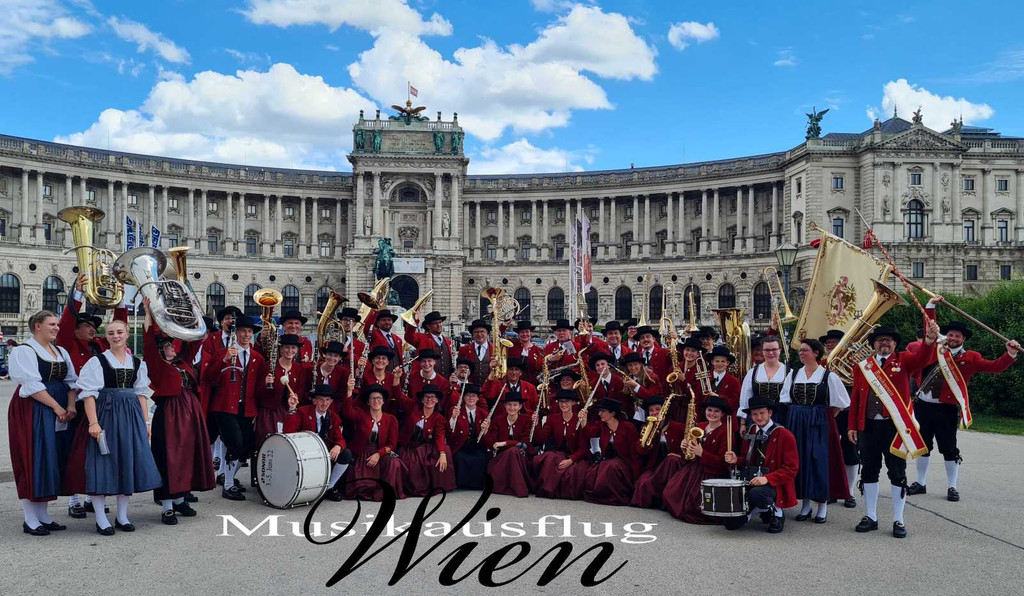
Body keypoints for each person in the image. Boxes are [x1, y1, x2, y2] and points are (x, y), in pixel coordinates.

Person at [909, 303, 1020, 502]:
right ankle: (920, 482)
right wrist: (931, 305)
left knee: (949, 448)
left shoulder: (971, 357)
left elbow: (994, 367)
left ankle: (952, 486)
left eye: (957, 336)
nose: (952, 338)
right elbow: (930, 326)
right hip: (923, 405)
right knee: (922, 445)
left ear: (963, 339)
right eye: (950, 335)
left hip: (947, 409)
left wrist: (1010, 353)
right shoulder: (936, 348)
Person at [848, 319, 939, 539]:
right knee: (869, 470)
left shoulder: (904, 360)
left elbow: (923, 358)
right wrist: (852, 425)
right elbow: (856, 398)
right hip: (868, 426)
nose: (884, 344)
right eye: (880, 341)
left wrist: (928, 340)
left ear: (894, 343)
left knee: (896, 472)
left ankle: (899, 519)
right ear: (874, 344)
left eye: (888, 340)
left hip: (895, 427)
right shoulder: (864, 366)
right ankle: (871, 516)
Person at [71, 320, 162, 535]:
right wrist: (94, 423)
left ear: (127, 334)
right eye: (111, 333)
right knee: (103, 462)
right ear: (106, 336)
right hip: (107, 414)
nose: (116, 336)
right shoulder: (97, 362)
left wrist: (145, 422)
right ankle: (101, 518)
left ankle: (122, 515)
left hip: (130, 416)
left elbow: (141, 395)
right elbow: (89, 394)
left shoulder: (137, 363)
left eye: (120, 332)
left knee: (127, 462)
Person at [141, 300, 214, 525]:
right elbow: (148, 342)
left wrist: (193, 311)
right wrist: (148, 314)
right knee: (169, 457)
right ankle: (167, 506)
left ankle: (181, 499)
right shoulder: (157, 364)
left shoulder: (183, 362)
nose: (173, 348)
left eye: (173, 345)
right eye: (168, 346)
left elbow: (196, 340)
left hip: (190, 411)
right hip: (170, 413)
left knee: (187, 456)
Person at [8, 310, 78, 535]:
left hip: (57, 409)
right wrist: (56, 407)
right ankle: (30, 519)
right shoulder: (23, 351)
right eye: (52, 324)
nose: (57, 328)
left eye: (57, 324)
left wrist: (70, 405)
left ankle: (44, 516)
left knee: (51, 458)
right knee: (33, 458)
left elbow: (71, 381)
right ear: (37, 325)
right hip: (33, 409)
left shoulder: (61, 351)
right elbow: (31, 385)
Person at [779, 339, 850, 524]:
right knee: (800, 461)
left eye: (805, 350)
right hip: (796, 420)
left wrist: (823, 417)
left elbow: (840, 403)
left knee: (819, 461)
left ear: (816, 353)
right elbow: (785, 399)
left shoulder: (828, 376)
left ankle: (822, 506)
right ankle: (805, 505)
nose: (801, 353)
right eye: (800, 351)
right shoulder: (793, 375)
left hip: (820, 422)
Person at [208, 316, 265, 501]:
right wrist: (224, 360)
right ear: (236, 333)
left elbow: (257, 387)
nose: (246, 334)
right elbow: (210, 377)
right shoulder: (223, 352)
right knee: (235, 443)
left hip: (247, 408)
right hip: (225, 407)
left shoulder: (257, 357)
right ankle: (229, 484)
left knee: (246, 448)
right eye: (243, 331)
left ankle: (229, 477)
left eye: (249, 331)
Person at [722, 396, 799, 534]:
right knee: (730, 524)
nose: (759, 417)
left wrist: (767, 479)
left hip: (773, 484)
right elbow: (747, 460)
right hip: (751, 481)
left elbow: (791, 469)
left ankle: (776, 511)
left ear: (770, 413)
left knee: (757, 494)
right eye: (754, 414)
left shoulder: (785, 435)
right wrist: (736, 460)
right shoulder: (751, 431)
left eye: (762, 413)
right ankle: (758, 509)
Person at [662, 396, 737, 523]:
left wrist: (702, 453)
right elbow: (688, 454)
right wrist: (684, 446)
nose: (712, 414)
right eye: (710, 410)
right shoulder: (699, 426)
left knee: (694, 505)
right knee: (669, 493)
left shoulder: (726, 432)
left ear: (722, 413)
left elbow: (722, 463)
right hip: (693, 468)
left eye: (716, 411)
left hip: (712, 473)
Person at [283, 384, 354, 500]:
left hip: (325, 455)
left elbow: (340, 438)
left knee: (346, 454)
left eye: (327, 400)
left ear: (331, 401)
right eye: (321, 399)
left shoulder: (333, 417)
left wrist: (338, 446)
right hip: (306, 455)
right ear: (315, 400)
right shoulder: (302, 412)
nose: (324, 403)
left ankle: (328, 488)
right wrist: (292, 409)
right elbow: (288, 433)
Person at [338, 381, 405, 501]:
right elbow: (347, 413)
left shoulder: (391, 419)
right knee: (363, 485)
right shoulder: (360, 414)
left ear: (383, 401)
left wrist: (379, 454)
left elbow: (392, 444)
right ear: (368, 402)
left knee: (394, 463)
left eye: (379, 398)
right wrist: (349, 391)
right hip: (362, 453)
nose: (376, 401)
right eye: (372, 398)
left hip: (381, 452)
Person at [254, 334, 309, 475]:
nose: (289, 351)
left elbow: (300, 392)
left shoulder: (298, 369)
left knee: (285, 446)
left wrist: (295, 399)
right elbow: (257, 393)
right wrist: (265, 384)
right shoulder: (268, 366)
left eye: (293, 348)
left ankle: (280, 476)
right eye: (286, 347)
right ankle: (263, 476)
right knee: (267, 445)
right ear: (280, 349)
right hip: (268, 412)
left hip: (286, 412)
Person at [56, 273, 129, 374]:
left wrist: (119, 299)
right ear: (76, 329)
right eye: (87, 326)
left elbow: (120, 325)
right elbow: (66, 324)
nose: (93, 329)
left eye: (93, 327)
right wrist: (78, 293)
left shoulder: (101, 344)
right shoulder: (68, 344)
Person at [820, 329, 859, 508]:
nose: (830, 345)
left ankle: (849, 492)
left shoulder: (853, 363)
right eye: (828, 343)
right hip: (827, 411)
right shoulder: (821, 364)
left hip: (849, 411)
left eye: (834, 342)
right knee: (829, 451)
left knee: (850, 451)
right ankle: (832, 489)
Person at [393, 384, 456, 496]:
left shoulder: (439, 418)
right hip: (409, 446)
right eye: (426, 397)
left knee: (444, 451)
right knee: (410, 462)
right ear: (422, 399)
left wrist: (442, 453)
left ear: (437, 400)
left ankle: (435, 484)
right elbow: (399, 396)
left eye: (432, 397)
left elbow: (440, 436)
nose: (429, 400)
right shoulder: (412, 408)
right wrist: (397, 381)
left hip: (426, 447)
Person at [531, 388, 591, 500]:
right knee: (550, 458)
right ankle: (547, 489)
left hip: (576, 456)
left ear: (573, 402)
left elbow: (584, 448)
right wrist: (536, 424)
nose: (563, 404)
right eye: (561, 401)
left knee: (574, 471)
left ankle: (565, 492)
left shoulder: (580, 418)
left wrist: (571, 460)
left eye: (567, 401)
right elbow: (541, 439)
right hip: (559, 453)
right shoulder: (552, 418)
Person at [630, 396, 686, 510]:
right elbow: (640, 451)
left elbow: (686, 448)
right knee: (644, 482)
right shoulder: (646, 427)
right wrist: (648, 435)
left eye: (657, 409)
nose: (655, 413)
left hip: (672, 466)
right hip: (654, 466)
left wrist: (680, 455)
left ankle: (667, 502)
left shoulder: (678, 427)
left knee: (671, 461)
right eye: (651, 410)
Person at [583, 398, 640, 506]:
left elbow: (634, 453)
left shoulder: (628, 427)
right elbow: (589, 433)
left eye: (603, 411)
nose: (600, 414)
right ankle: (602, 495)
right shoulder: (602, 426)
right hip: (606, 460)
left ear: (612, 413)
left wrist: (636, 475)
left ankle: (616, 496)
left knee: (611, 467)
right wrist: (584, 420)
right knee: (591, 473)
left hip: (624, 463)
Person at [481, 391, 536, 497]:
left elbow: (524, 443)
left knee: (514, 450)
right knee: (511, 451)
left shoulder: (527, 420)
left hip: (521, 456)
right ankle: (515, 487)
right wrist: (486, 431)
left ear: (520, 406)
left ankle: (518, 488)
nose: (512, 408)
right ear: (505, 406)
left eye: (515, 405)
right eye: (509, 405)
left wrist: (505, 443)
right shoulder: (497, 420)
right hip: (502, 458)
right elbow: (491, 443)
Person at [739, 336, 789, 431]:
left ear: (780, 350)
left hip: (780, 417)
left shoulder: (789, 372)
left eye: (774, 349)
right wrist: (743, 423)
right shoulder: (752, 372)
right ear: (762, 351)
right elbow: (744, 400)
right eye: (767, 350)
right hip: (756, 417)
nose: (770, 353)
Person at [447, 383, 490, 490]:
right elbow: (449, 432)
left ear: (478, 398)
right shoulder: (455, 410)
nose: (471, 398)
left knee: (481, 457)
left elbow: (488, 438)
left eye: (474, 396)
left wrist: (485, 430)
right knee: (460, 457)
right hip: (461, 446)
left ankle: (477, 484)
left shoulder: (484, 413)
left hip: (477, 446)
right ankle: (462, 483)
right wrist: (453, 418)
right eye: (468, 395)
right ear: (463, 397)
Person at [404, 310, 455, 378]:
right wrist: (415, 321)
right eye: (435, 323)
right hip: (426, 379)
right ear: (428, 326)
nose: (438, 325)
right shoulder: (422, 337)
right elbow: (408, 337)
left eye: (440, 322)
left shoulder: (447, 341)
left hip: (445, 381)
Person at [706, 345, 741, 415]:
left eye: (723, 361)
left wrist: (718, 397)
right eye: (717, 361)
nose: (720, 364)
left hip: (726, 418)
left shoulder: (734, 381)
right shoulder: (705, 378)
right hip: (706, 417)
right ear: (712, 362)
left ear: (727, 363)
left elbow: (736, 403)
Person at [457, 319, 493, 385]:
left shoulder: (494, 350)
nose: (479, 334)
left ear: (487, 333)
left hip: (489, 387)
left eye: (482, 331)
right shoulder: (464, 349)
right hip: (470, 387)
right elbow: (459, 369)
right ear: (472, 334)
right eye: (476, 332)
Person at [509, 320, 544, 385]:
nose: (525, 334)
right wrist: (504, 325)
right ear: (518, 334)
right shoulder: (511, 347)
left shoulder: (538, 350)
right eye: (522, 332)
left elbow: (540, 369)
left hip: (532, 385)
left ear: (531, 333)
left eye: (527, 331)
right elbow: (499, 338)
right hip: (513, 383)